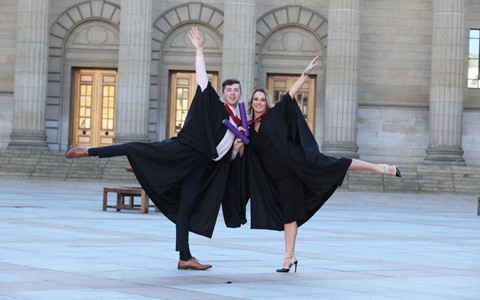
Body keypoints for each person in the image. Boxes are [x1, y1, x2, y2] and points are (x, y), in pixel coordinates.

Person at [65, 27, 246, 270]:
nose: (233, 93)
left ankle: (185, 256)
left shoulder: (241, 122)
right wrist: (199, 50)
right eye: (229, 90)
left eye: (236, 91)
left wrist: (235, 149)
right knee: (138, 148)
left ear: (240, 94)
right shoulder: (215, 106)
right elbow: (202, 80)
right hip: (185, 152)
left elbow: (229, 155)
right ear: (224, 94)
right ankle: (90, 150)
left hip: (202, 167)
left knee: (187, 208)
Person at [244, 56, 401, 273]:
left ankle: (382, 168)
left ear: (267, 101)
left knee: (339, 164)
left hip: (298, 166)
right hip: (277, 179)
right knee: (289, 216)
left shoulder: (276, 114)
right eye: (256, 99)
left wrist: (306, 73)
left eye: (262, 99)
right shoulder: (250, 129)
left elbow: (291, 94)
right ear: (251, 102)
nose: (259, 102)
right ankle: (289, 257)